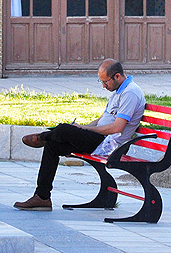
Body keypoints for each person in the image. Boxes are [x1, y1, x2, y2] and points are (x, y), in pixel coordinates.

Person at [14, 59, 145, 211]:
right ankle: (42, 197)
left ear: (117, 76)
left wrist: (84, 130)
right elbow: (102, 120)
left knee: (63, 130)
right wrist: (82, 128)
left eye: (105, 82)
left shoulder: (130, 93)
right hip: (101, 140)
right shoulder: (119, 91)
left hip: (110, 146)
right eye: (101, 82)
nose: (103, 86)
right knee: (53, 145)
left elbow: (117, 128)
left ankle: (43, 137)